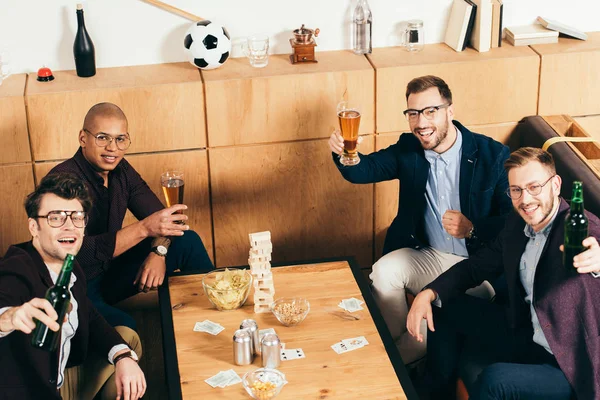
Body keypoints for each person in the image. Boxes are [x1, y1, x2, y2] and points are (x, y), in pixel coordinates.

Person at [329, 75, 512, 364]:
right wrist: (343, 153)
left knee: (415, 343)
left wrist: (473, 229)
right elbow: (363, 171)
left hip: (476, 267)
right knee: (384, 272)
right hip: (429, 255)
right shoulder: (410, 148)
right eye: (413, 113)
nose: (421, 122)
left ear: (450, 111)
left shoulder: (492, 155)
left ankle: (397, 361)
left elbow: (513, 223)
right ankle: (403, 350)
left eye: (430, 111)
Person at [407, 147, 600, 399]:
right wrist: (429, 292)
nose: (525, 200)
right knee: (443, 304)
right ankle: (434, 393)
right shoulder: (517, 224)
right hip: (523, 332)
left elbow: (595, 245)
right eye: (516, 190)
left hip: (566, 363)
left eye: (534, 187)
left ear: (555, 185)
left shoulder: (581, 228)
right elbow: (476, 266)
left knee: (495, 380)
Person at [50, 102, 214, 329]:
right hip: (74, 286)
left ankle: (217, 318)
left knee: (188, 241)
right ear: (82, 138)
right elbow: (74, 252)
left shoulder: (121, 170)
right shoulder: (61, 182)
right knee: (126, 328)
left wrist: (159, 251)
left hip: (109, 274)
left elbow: (165, 220)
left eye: (120, 139)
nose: (112, 148)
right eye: (102, 137)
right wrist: (144, 229)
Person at [0, 173, 146, 400]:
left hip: (58, 377)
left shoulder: (70, 265)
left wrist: (122, 356)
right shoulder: (15, 269)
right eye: (56, 218)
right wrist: (10, 317)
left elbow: (88, 313)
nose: (69, 226)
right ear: (34, 227)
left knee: (127, 340)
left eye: (77, 217)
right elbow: (3, 305)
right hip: (29, 392)